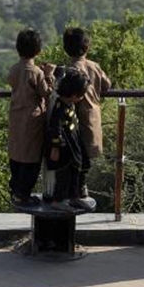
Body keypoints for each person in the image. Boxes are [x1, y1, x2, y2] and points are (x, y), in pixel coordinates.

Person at [61, 26, 113, 199]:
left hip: (74, 119)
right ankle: (82, 187)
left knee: (74, 156)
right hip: (92, 117)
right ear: (87, 47)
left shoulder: (69, 71)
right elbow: (107, 85)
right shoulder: (94, 67)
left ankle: (74, 189)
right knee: (85, 157)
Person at [6, 28, 54, 206]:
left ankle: (15, 189)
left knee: (17, 153)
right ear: (38, 51)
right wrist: (48, 74)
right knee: (32, 158)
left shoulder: (14, 69)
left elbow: (12, 81)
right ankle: (23, 194)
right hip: (32, 120)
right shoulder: (37, 72)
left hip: (16, 118)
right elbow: (47, 93)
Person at [46, 71, 92, 210]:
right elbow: (55, 127)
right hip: (64, 147)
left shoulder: (69, 103)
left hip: (74, 143)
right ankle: (58, 200)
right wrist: (55, 148)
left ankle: (74, 197)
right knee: (64, 175)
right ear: (73, 95)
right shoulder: (60, 107)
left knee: (76, 171)